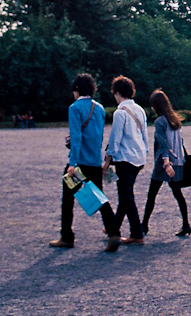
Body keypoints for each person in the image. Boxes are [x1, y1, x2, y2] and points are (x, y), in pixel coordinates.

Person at [50, 73, 111, 249]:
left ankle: (67, 236)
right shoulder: (99, 108)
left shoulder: (75, 108)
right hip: (94, 161)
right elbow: (98, 136)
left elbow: (76, 138)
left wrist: (72, 163)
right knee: (100, 198)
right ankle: (113, 231)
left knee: (68, 199)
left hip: (79, 164)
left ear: (76, 89)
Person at [101, 76, 149, 252]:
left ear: (117, 92)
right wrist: (145, 153)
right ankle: (114, 226)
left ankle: (137, 234)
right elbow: (145, 135)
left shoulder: (120, 113)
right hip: (138, 157)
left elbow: (115, 139)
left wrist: (107, 160)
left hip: (125, 158)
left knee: (127, 195)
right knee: (125, 193)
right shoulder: (140, 110)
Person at [141, 90, 191, 238]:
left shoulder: (160, 122)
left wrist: (165, 163)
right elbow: (180, 143)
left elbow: (163, 145)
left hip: (165, 163)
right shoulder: (175, 120)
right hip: (177, 161)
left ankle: (144, 225)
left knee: (152, 195)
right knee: (178, 194)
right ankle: (186, 224)